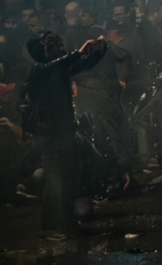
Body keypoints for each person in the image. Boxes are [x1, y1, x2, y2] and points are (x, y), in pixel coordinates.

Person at [25, 31, 106, 239]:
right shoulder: (40, 70)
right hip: (49, 135)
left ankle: (66, 222)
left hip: (64, 131)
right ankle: (54, 227)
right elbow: (65, 62)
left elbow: (83, 64)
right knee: (55, 180)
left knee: (68, 177)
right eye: (54, 47)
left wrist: (100, 49)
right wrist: (79, 52)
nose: (60, 50)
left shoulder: (58, 70)